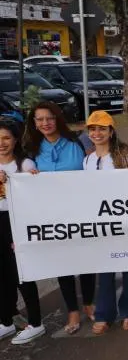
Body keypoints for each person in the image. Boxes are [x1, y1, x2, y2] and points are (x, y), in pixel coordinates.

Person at [23, 101, 91, 334]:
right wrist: (26, 172)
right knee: (63, 264)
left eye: (49, 118)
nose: (45, 123)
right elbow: (20, 173)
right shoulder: (31, 149)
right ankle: (72, 310)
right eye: (40, 119)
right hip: (51, 217)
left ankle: (90, 304)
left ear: (58, 118)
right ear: (34, 123)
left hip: (81, 212)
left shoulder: (79, 141)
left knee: (86, 261)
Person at [82, 111, 128, 335]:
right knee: (104, 268)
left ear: (111, 131)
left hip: (124, 220)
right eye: (93, 129)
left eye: (102, 129)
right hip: (99, 222)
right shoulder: (87, 160)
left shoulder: (125, 154)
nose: (97, 133)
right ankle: (104, 314)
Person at [0, 117, 44, 345]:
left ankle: (36, 323)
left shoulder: (24, 165)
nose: (2, 143)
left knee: (21, 274)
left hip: (15, 222)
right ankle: (6, 320)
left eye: (6, 138)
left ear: (16, 140)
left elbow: (32, 197)